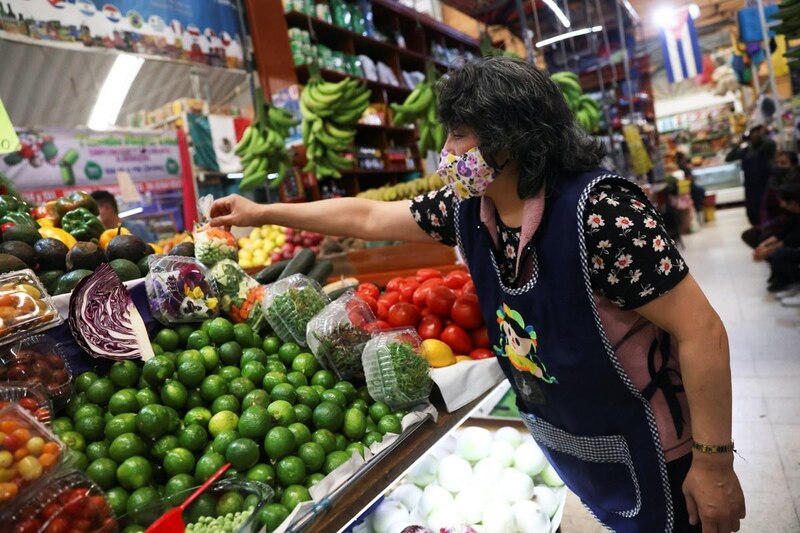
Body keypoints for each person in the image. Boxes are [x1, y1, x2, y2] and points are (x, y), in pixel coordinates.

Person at [211, 57, 745, 533]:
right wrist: (262, 212)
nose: (446, 153)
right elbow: (368, 215)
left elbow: (702, 331)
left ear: (509, 137)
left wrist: (715, 464)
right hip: (580, 448)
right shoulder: (469, 209)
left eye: (459, 136)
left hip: (660, 450)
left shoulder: (602, 212)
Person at [741, 150, 799, 248]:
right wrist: (765, 226)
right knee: (751, 235)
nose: (779, 166)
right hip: (776, 221)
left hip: (791, 222)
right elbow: (765, 206)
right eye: (776, 163)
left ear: (793, 165)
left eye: (783, 163)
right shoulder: (773, 181)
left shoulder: (795, 181)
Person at [753, 179, 800, 294]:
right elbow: (784, 233)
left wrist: (769, 249)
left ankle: (787, 281)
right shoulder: (794, 215)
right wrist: (763, 245)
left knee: (780, 253)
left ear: (794, 202)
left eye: (783, 201)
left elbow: (793, 239)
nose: (781, 204)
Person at [725, 125, 777, 227]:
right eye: (753, 133)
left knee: (766, 211)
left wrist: (762, 134)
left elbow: (770, 143)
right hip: (750, 187)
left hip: (765, 185)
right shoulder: (747, 150)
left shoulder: (766, 147)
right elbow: (729, 158)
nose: (754, 136)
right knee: (752, 213)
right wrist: (739, 143)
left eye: (757, 133)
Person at [90, 190, 156, 243]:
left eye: (93, 210)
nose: (91, 215)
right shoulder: (100, 236)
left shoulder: (134, 229)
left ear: (107, 208)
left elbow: (153, 252)